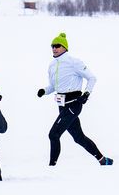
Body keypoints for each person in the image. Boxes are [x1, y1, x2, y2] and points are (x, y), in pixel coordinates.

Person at [36, 32, 113, 167]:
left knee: (53, 135)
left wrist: (86, 94)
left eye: (57, 46)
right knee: (78, 138)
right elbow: (54, 86)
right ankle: (103, 160)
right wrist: (45, 91)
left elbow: (92, 78)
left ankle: (51, 167)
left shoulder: (74, 62)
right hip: (62, 105)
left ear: (65, 47)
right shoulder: (52, 65)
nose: (54, 48)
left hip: (74, 104)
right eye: (52, 46)